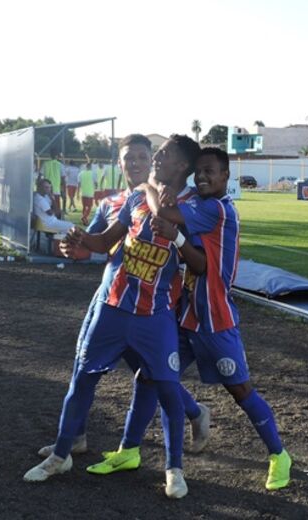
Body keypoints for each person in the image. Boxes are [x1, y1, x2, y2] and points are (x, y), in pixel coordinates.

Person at [94, 147, 292, 491]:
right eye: (199, 172)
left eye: (210, 172)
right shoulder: (200, 207)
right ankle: (129, 450)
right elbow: (192, 254)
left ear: (225, 176)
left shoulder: (216, 209)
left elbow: (167, 214)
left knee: (241, 391)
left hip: (216, 321)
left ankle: (279, 455)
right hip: (187, 316)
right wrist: (176, 228)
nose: (203, 177)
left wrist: (149, 186)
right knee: (149, 378)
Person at [23, 135, 202, 499]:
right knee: (82, 377)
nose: (145, 161)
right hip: (112, 307)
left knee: (165, 387)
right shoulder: (130, 198)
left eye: (153, 154)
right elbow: (103, 242)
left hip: (156, 316)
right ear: (120, 163)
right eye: (131, 157)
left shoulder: (195, 207)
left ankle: (174, 468)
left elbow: (200, 260)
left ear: (178, 165)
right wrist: (75, 240)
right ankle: (61, 454)